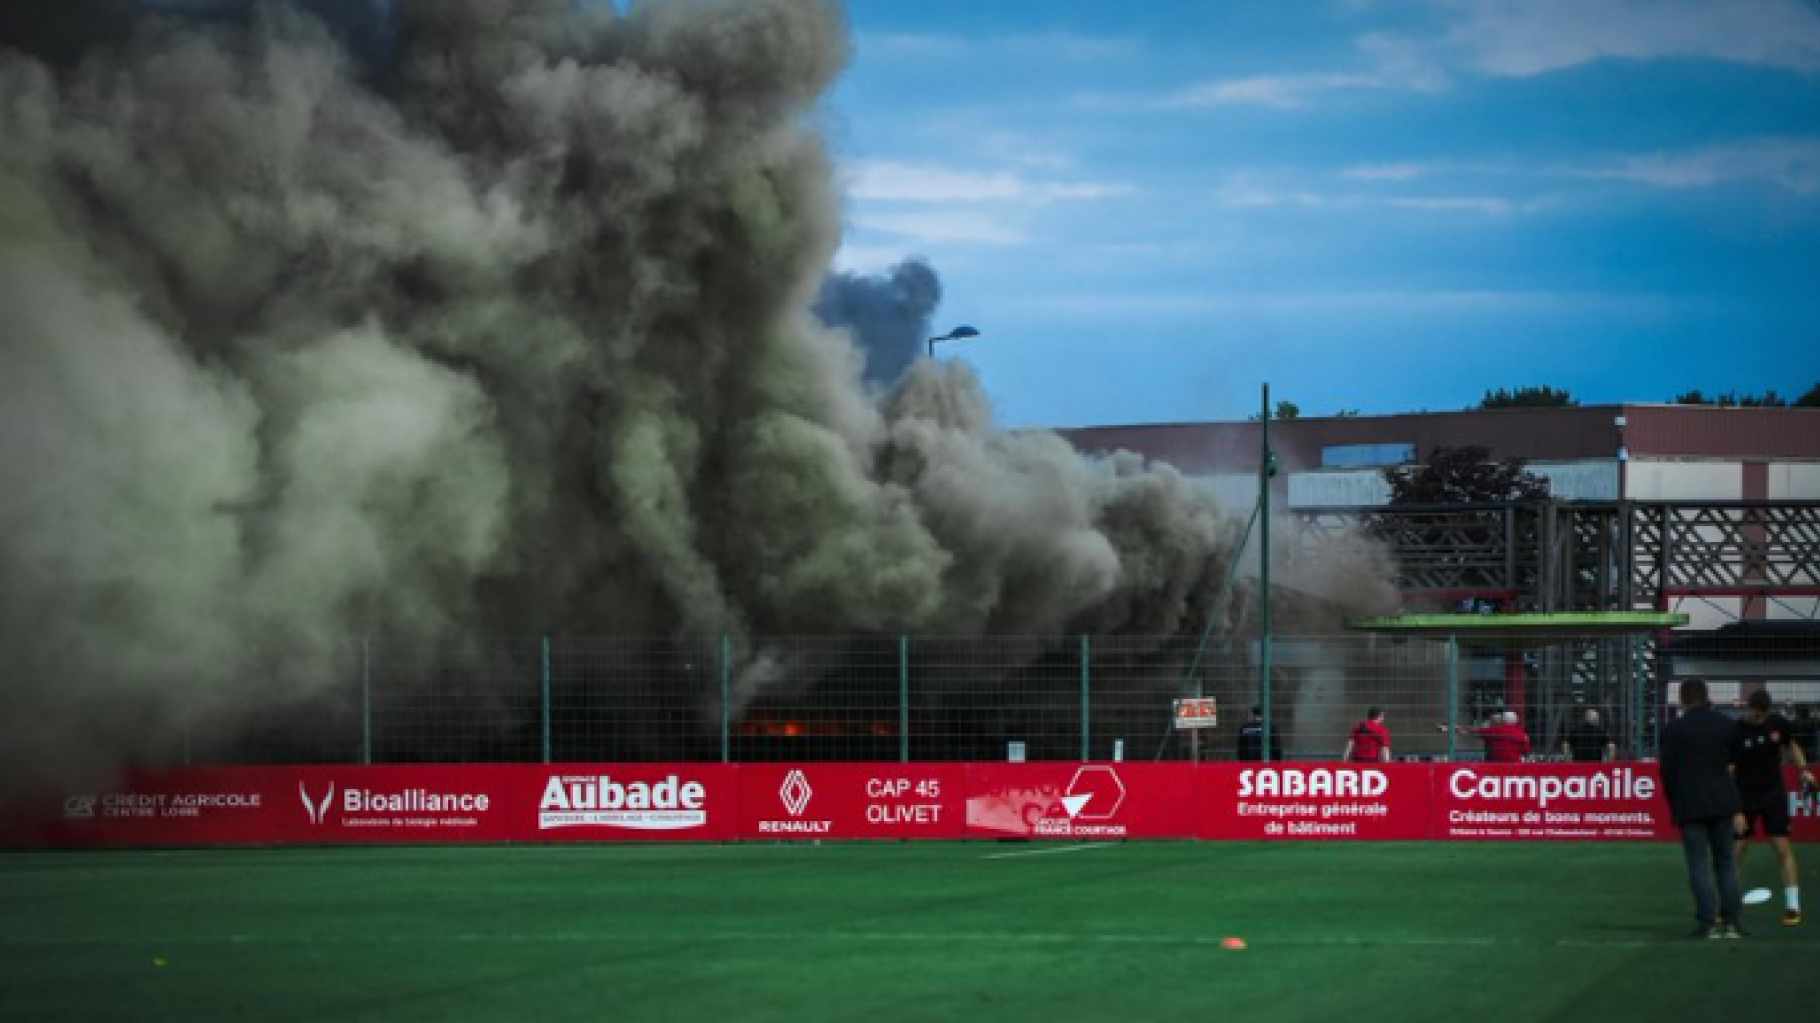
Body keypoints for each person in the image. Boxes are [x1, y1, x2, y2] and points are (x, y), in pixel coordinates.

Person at [1660, 679, 1744, 939]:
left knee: (1698, 864)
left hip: (1690, 802)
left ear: (1683, 698)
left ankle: (1708, 922)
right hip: (1721, 800)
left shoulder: (1674, 729)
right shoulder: (1726, 725)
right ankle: (1731, 922)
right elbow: (1736, 764)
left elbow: (1667, 772)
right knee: (1725, 863)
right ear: (1706, 695)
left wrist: (1674, 801)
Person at [1730, 689, 1816, 926]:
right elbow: (1728, 771)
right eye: (1757, 715)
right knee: (1737, 849)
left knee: (1781, 847)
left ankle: (1793, 906)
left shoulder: (1778, 723)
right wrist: (1736, 809)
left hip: (1773, 796)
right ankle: (1729, 905)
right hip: (1744, 797)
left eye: (1763, 716)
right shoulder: (1736, 731)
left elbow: (1793, 746)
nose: (1760, 720)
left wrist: (1804, 770)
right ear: (1748, 708)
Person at [1450, 710, 1530, 763]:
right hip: (1513, 764)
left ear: (1502, 720)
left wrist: (1458, 729)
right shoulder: (1521, 733)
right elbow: (1525, 752)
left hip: (1493, 764)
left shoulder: (1493, 729)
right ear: (1516, 721)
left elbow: (1475, 731)